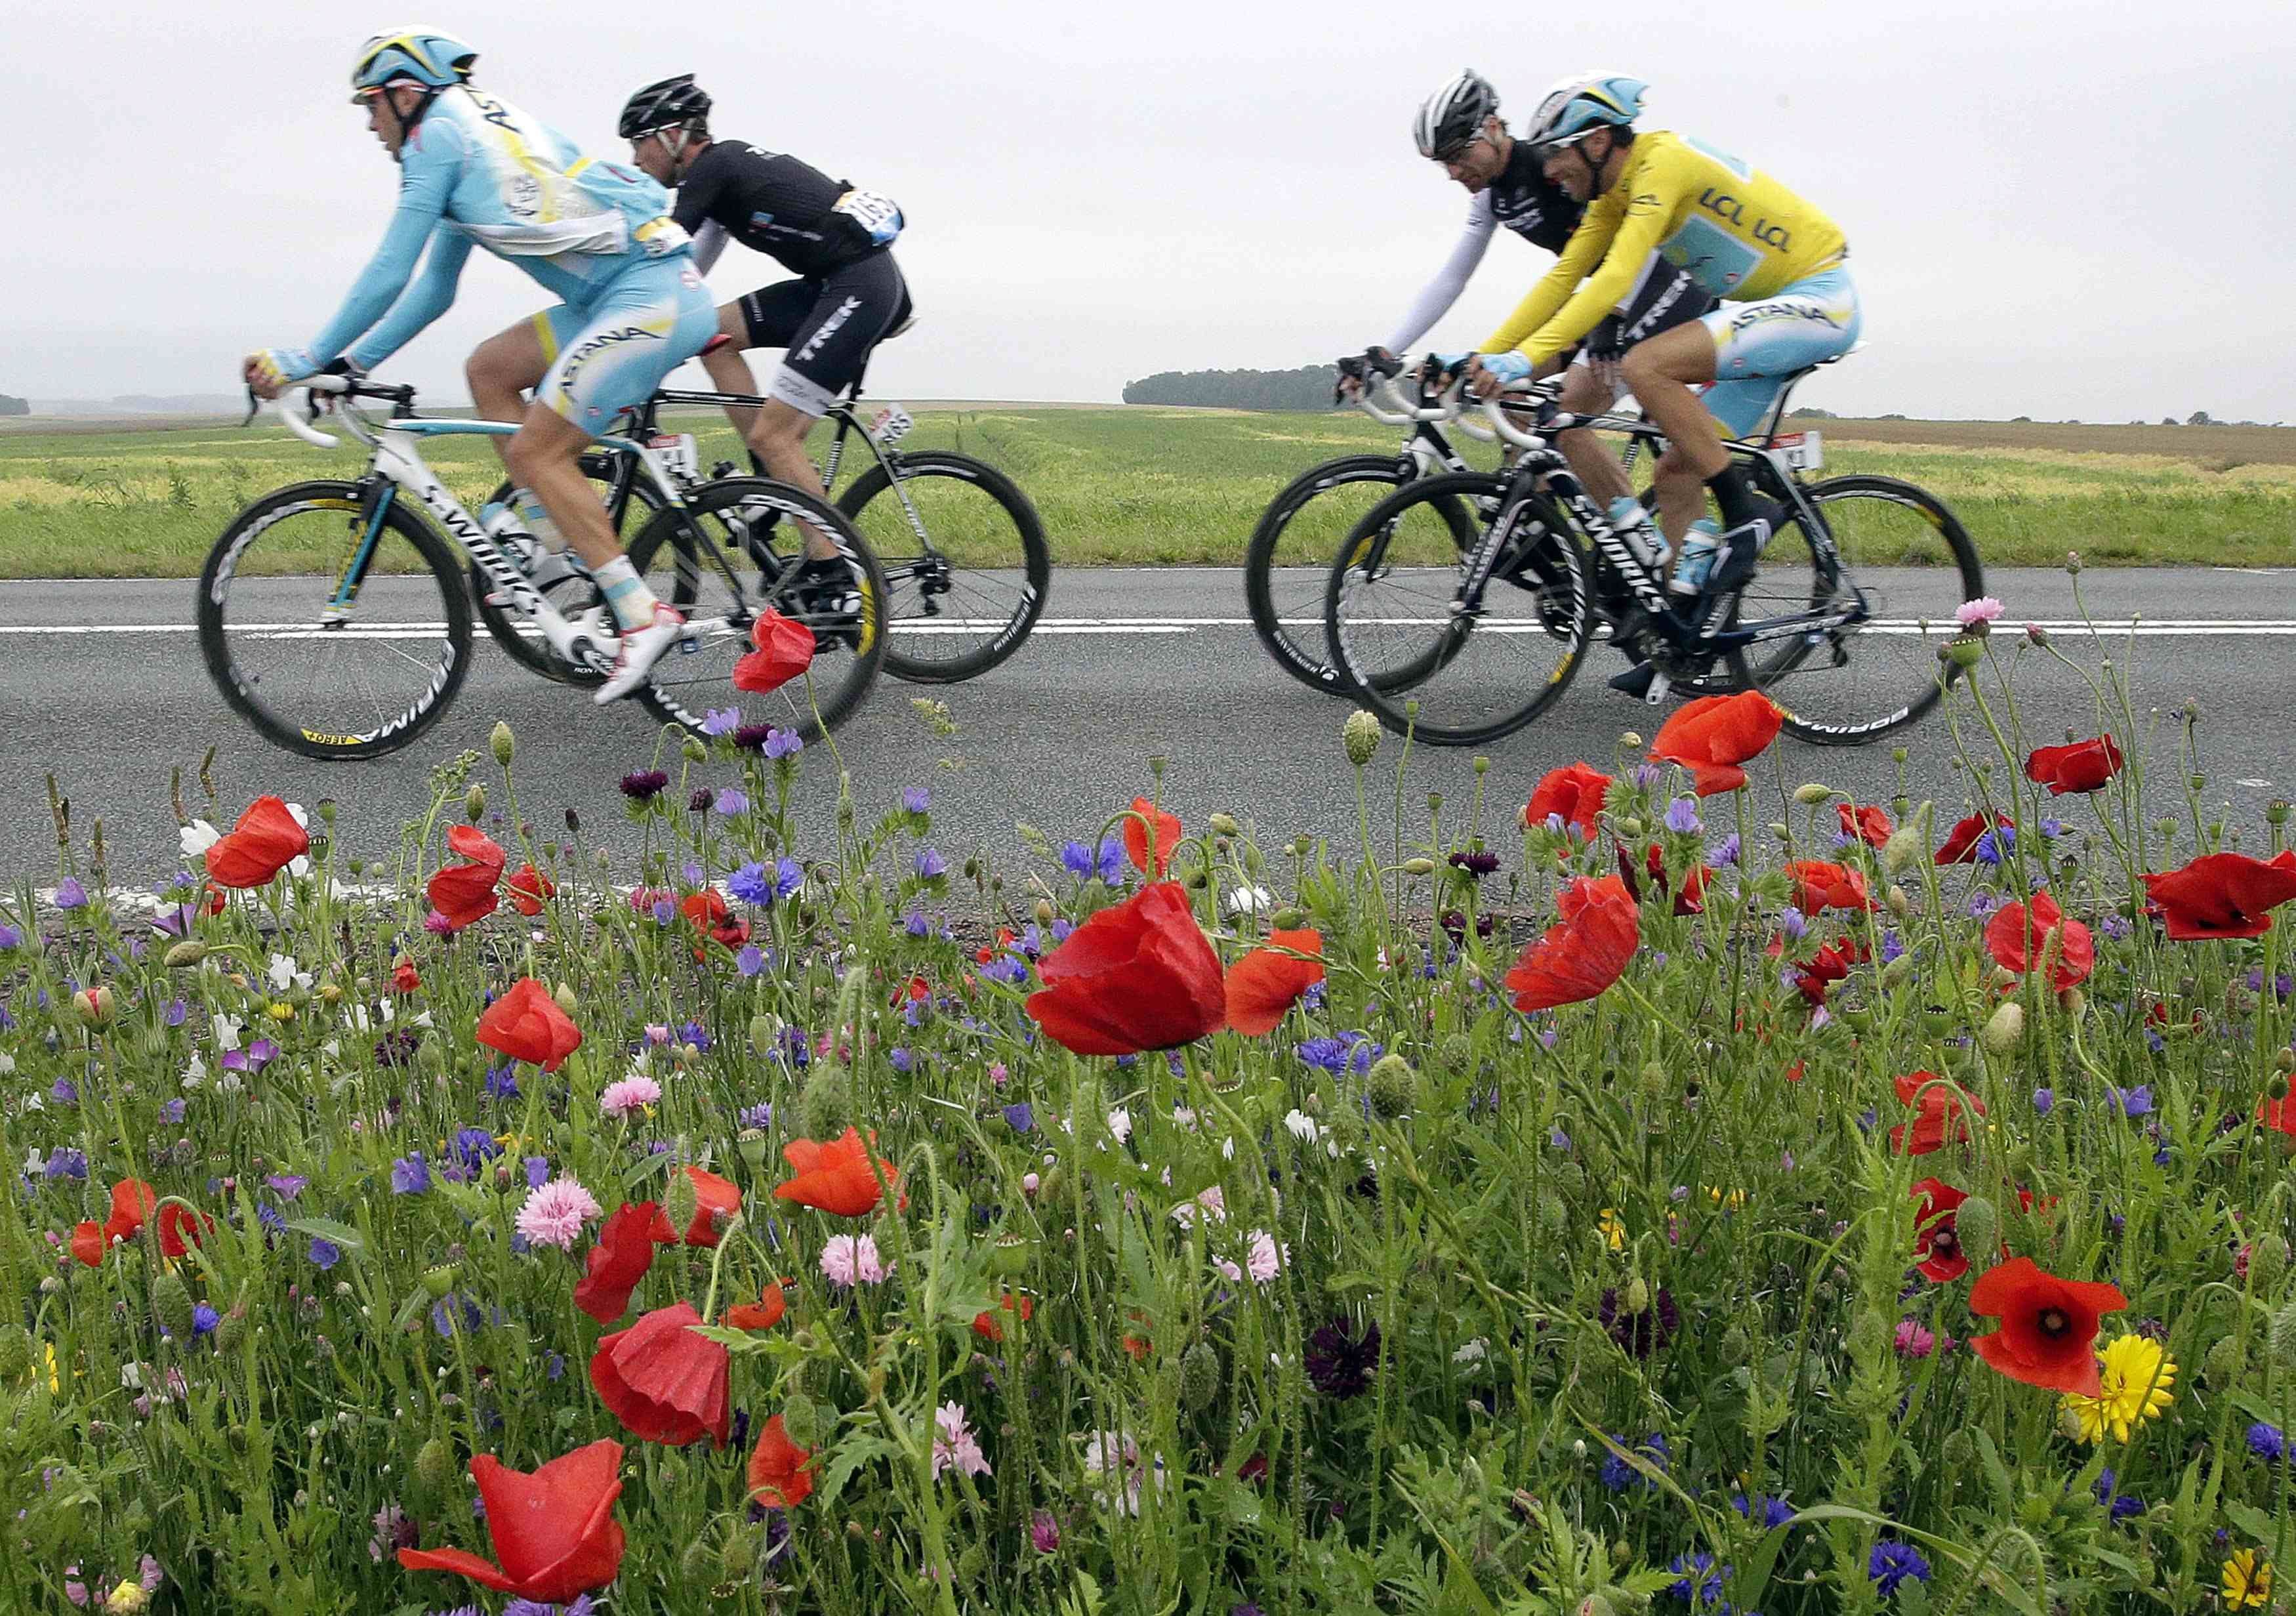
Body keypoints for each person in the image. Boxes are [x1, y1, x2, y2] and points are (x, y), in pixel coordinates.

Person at [244, 30, 718, 704]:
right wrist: (353, 365)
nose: (371, 125)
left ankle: (642, 614)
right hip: (617, 297)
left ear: (405, 94)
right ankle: (548, 531)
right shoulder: (467, 132)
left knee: (537, 453)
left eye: (370, 106)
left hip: (653, 300)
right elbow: (433, 289)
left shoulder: (438, 139)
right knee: (490, 371)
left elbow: (388, 271)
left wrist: (305, 359)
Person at [1462, 73, 1859, 691]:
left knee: (1647, 364)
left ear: (1597, 143)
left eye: (1560, 153)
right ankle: (1683, 638)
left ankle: (1744, 512)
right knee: (1676, 470)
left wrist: (1527, 358)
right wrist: (1488, 357)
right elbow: (1564, 277)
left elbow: (1615, 278)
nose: (1549, 171)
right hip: (1772, 311)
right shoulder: (1613, 197)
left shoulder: (1663, 164)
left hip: (1817, 299)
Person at [1343, 70, 1713, 524]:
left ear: (1495, 128)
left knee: (1567, 417)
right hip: (1599, 302)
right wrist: (1387, 351)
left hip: (1652, 292)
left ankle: (1632, 548)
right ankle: (1550, 540)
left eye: (1459, 155)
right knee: (1504, 392)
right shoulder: (1492, 197)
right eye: (1444, 163)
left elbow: (1632, 240)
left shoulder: (1556, 165)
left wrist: (1609, 319)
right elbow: (1452, 278)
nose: (1455, 173)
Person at [619, 74, 911, 573]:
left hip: (860, 285)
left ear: (673, 135)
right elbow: (683, 282)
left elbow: (660, 252)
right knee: (714, 337)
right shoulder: (717, 186)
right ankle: (772, 488)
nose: (635, 159)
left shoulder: (715, 166)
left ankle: (832, 571)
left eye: (640, 142)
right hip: (834, 283)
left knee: (775, 436)